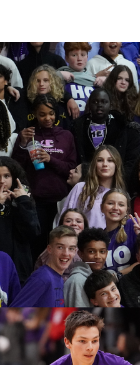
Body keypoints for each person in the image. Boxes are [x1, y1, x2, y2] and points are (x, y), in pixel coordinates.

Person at [13, 93, 77, 258]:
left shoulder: (66, 136)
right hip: (37, 200)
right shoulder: (28, 134)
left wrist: (50, 159)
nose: (47, 118)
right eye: (42, 114)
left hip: (61, 201)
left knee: (60, 245)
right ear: (35, 114)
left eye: (51, 113)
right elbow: (17, 168)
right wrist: (21, 144)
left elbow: (71, 169)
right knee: (37, 245)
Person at [70, 91, 140, 180]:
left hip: (115, 180)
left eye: (104, 102)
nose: (99, 105)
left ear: (110, 105)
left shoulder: (122, 127)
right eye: (95, 102)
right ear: (89, 105)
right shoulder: (78, 127)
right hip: (86, 179)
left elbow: (131, 162)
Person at [11, 226, 76, 306]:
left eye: (71, 248)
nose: (66, 253)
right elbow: (12, 313)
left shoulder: (59, 278)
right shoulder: (42, 278)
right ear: (49, 249)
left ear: (75, 251)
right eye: (60, 247)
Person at [0, 156, 38, 282]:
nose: (2, 181)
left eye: (6, 176)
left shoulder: (23, 200)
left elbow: (33, 232)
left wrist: (23, 201)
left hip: (19, 269)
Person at [64, 227, 109, 306]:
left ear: (107, 253)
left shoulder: (104, 276)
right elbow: (80, 316)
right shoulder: (77, 281)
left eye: (102, 251)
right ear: (80, 254)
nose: (98, 256)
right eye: (91, 251)